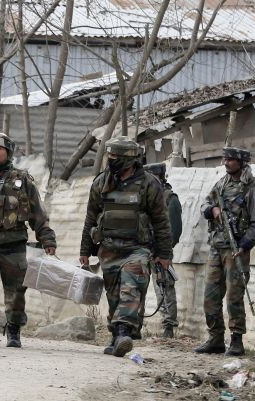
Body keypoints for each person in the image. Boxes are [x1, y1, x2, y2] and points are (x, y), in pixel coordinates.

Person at [79, 136, 172, 357]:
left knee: (130, 289)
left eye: (114, 156)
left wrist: (164, 253)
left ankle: (123, 332)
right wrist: (85, 251)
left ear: (129, 158)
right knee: (114, 297)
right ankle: (116, 335)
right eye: (109, 155)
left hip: (137, 250)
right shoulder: (102, 182)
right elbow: (91, 218)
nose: (110, 159)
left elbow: (161, 221)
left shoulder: (149, 183)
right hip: (108, 249)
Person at [0, 133, 57, 348]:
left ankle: (14, 330)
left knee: (16, 291)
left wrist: (47, 239)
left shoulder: (22, 180)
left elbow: (38, 213)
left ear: (8, 152)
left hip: (14, 244)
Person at [195, 147, 255, 356]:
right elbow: (206, 203)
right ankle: (215, 339)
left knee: (234, 296)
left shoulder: (253, 187)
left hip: (237, 250)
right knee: (210, 296)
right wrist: (212, 210)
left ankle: (236, 341)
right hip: (217, 246)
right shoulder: (221, 183)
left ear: (242, 162)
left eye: (230, 159)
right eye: (225, 159)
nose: (226, 162)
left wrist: (244, 246)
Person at [144, 162, 182, 338]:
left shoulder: (169, 198)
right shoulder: (146, 197)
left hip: (161, 253)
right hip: (144, 252)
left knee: (164, 287)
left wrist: (163, 251)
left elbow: (175, 231)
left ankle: (168, 327)